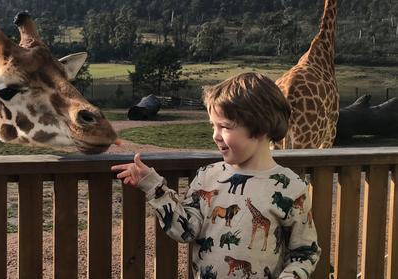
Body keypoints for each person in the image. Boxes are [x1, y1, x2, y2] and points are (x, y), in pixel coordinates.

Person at [111, 72, 320, 279]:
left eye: (225, 127)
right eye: (213, 125)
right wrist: (152, 185)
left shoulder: (290, 188)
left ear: (261, 127)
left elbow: (304, 252)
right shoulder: (207, 177)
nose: (215, 135)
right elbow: (184, 230)